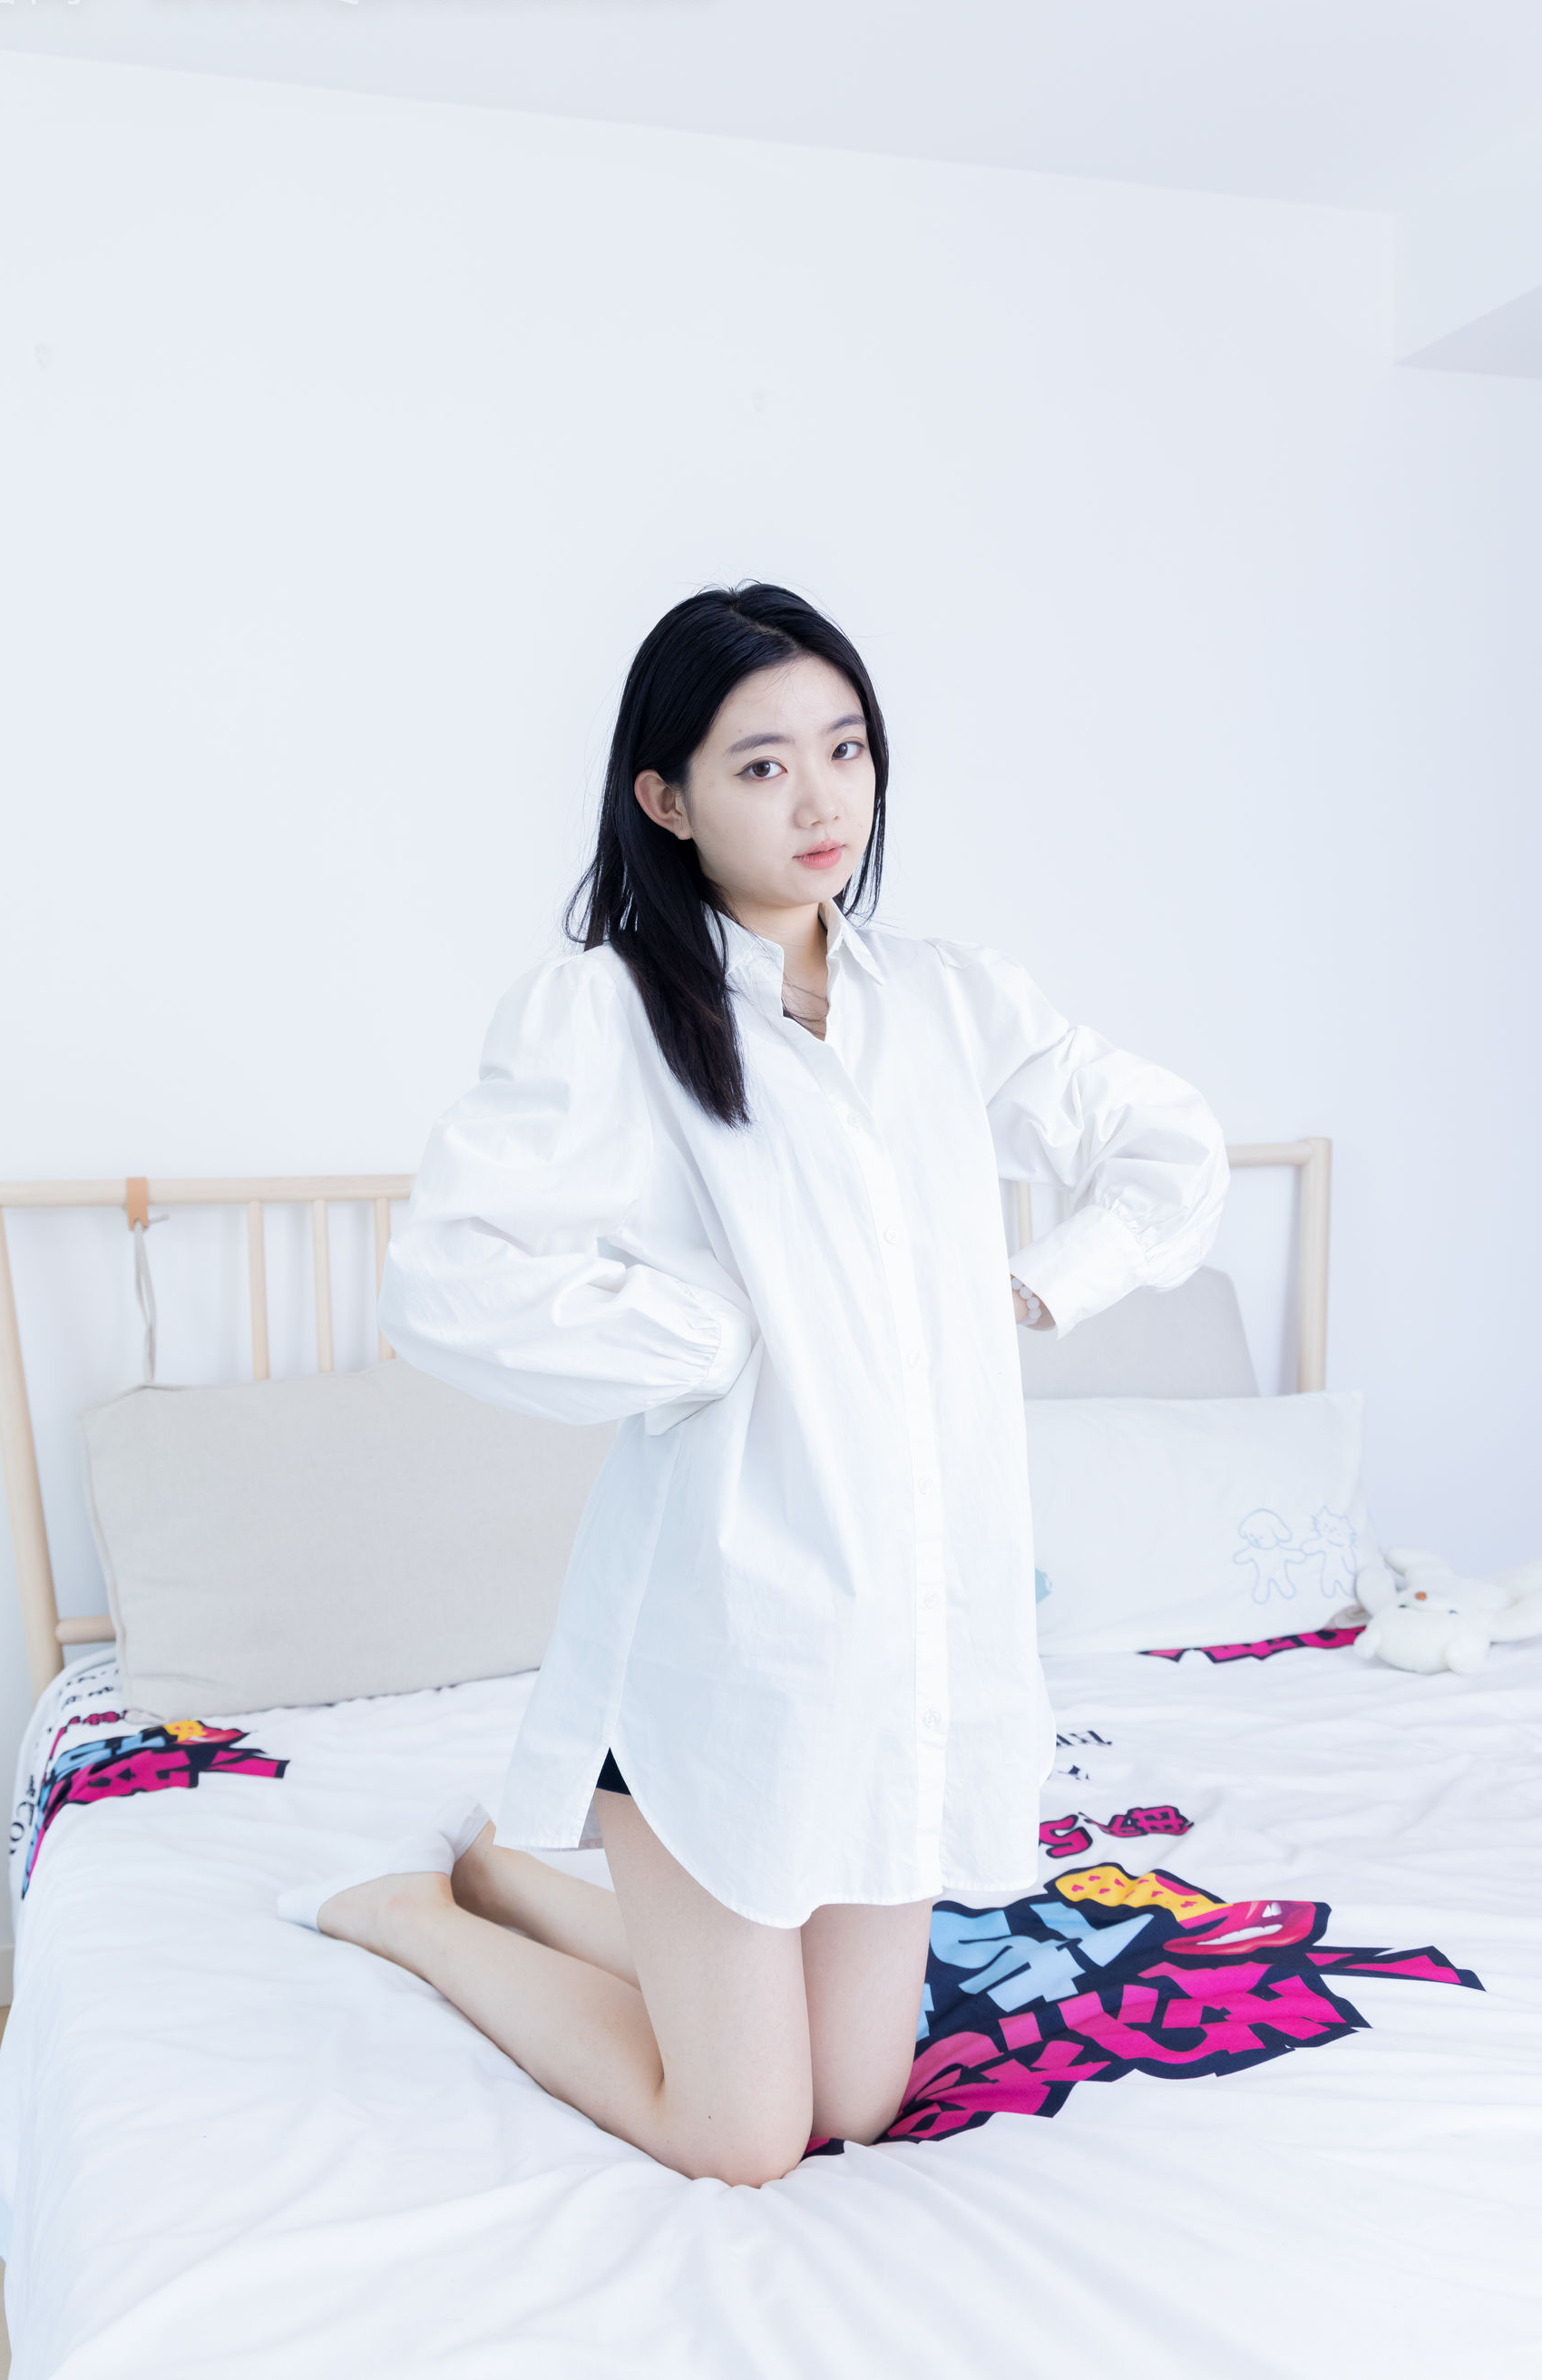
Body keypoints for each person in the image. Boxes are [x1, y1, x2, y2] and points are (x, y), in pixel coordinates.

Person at [278, 583, 1227, 2187]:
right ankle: (420, 1916)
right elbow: (446, 1278)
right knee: (744, 2138)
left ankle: (515, 1878)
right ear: (667, 797)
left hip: (897, 1644)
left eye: (845, 749)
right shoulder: (607, 1014)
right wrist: (709, 1338)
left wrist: (1042, 1280)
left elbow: (1169, 1149)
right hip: (715, 1647)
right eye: (763, 764)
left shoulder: (951, 1001)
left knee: (854, 2100)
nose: (821, 798)